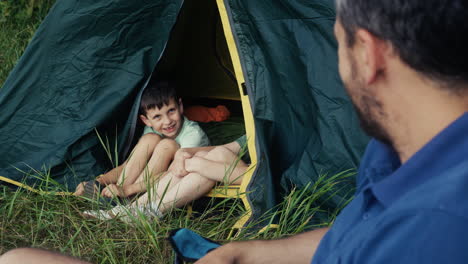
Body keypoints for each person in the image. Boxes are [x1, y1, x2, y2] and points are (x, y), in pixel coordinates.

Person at [194, 0, 468, 263]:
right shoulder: (394, 147)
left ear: (367, 54)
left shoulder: (439, 231)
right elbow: (360, 237)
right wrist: (248, 254)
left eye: (337, 43)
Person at [74, 81, 210, 199]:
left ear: (180, 107)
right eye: (157, 117)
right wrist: (99, 182)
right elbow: (128, 165)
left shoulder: (193, 135)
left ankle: (128, 198)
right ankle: (115, 196)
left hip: (177, 181)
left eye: (171, 111)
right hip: (150, 181)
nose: (167, 121)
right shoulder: (152, 131)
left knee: (167, 144)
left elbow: (173, 175)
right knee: (150, 139)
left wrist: (129, 190)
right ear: (146, 120)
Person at [83, 135, 249, 219]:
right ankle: (132, 209)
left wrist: (196, 164)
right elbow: (226, 148)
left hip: (256, 177)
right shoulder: (257, 132)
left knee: (208, 162)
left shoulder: (273, 135)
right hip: (230, 165)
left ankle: (150, 212)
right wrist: (183, 154)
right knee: (218, 153)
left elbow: (260, 175)